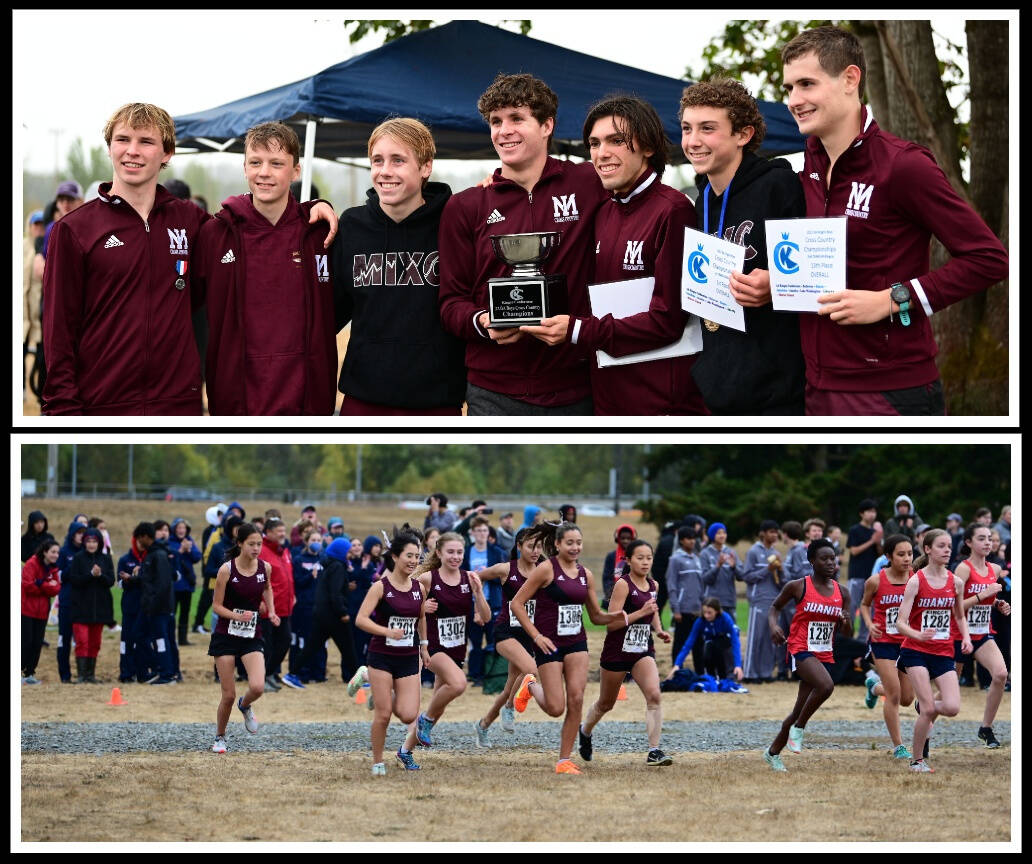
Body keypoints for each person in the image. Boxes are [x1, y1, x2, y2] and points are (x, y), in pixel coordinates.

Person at [780, 25, 1009, 415]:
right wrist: (776, 282)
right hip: (816, 387)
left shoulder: (903, 165)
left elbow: (989, 259)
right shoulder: (806, 169)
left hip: (890, 392)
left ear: (850, 79)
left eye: (806, 84)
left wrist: (892, 300)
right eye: (788, 88)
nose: (794, 100)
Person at [524, 94, 705, 415]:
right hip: (607, 394)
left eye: (616, 140)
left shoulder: (673, 210)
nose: (601, 153)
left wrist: (578, 330)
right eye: (594, 143)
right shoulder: (604, 209)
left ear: (648, 146)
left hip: (660, 402)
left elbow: (668, 321)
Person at [438, 72, 605, 415]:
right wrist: (485, 322)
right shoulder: (467, 205)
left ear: (547, 126)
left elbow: (645, 187)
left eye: (517, 118)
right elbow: (451, 303)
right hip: (493, 390)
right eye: (496, 121)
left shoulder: (590, 182)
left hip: (574, 385)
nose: (504, 130)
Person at [679, 77, 807, 414]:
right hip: (718, 392)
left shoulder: (779, 186)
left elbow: (817, 277)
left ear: (743, 134)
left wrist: (777, 285)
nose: (693, 141)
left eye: (707, 128)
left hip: (776, 396)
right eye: (687, 129)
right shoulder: (700, 202)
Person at [196, 122, 338, 415]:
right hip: (237, 403)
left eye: (276, 164)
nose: (264, 172)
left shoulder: (319, 235)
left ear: (295, 172)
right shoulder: (215, 234)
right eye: (256, 162)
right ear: (244, 167)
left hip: (306, 403)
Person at [331, 117, 465, 415]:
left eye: (398, 160)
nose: (385, 171)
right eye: (377, 160)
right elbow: (327, 314)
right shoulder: (351, 226)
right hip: (363, 399)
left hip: (437, 402)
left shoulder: (454, 223)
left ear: (426, 166)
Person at [509, 521, 621, 774]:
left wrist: (623, 616)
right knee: (555, 707)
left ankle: (564, 761)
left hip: (576, 643)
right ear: (557, 544)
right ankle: (529, 686)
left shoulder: (586, 575)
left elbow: (595, 616)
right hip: (549, 643)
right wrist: (536, 636)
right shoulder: (546, 570)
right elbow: (517, 604)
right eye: (569, 543)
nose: (575, 547)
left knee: (577, 698)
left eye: (578, 543)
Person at [395, 532, 491, 767]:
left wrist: (478, 593)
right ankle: (423, 720)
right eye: (450, 552)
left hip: (457, 648)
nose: (455, 556)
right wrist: (421, 607)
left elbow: (486, 618)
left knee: (438, 707)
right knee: (458, 684)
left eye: (459, 552)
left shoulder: (469, 578)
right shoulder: (428, 579)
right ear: (439, 553)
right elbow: (407, 605)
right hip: (433, 647)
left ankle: (405, 751)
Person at [580, 539, 674, 766]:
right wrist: (639, 612)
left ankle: (654, 751)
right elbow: (611, 624)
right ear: (629, 560)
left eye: (648, 558)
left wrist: (659, 629)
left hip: (642, 650)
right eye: (640, 558)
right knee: (606, 703)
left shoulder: (654, 585)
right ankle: (585, 731)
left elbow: (652, 611)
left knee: (654, 695)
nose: (645, 562)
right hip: (617, 651)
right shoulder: (623, 585)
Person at [762, 539, 851, 772]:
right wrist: (773, 626)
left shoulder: (843, 593)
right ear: (812, 561)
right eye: (824, 558)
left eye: (833, 558)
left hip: (823, 652)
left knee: (798, 708)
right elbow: (774, 607)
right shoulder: (798, 586)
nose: (831, 563)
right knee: (826, 686)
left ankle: (772, 753)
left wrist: (846, 620)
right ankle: (799, 729)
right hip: (800, 648)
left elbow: (847, 632)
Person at [894, 529, 973, 772]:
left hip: (943, 650)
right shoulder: (916, 580)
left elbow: (959, 615)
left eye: (949, 546)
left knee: (952, 707)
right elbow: (900, 621)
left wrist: (967, 638)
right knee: (929, 709)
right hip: (915, 650)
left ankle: (923, 708)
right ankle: (917, 761)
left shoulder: (956, 582)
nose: (947, 550)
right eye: (941, 546)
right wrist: (917, 634)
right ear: (928, 549)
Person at [354, 526, 429, 775]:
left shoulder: (419, 588)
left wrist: (424, 647)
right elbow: (361, 620)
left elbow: (421, 619)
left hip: (408, 656)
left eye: (417, 556)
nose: (413, 561)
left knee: (409, 715)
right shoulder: (380, 587)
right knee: (384, 714)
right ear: (395, 557)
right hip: (382, 656)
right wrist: (387, 632)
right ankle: (377, 761)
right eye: (409, 555)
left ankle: (377, 688)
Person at [208, 522, 279, 754]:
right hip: (226, 635)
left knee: (258, 686)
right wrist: (238, 615)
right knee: (228, 694)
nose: (256, 548)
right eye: (251, 544)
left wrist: (272, 610)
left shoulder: (265, 568)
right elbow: (216, 607)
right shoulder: (226, 570)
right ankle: (220, 737)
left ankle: (245, 705)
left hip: (251, 634)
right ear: (240, 544)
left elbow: (267, 588)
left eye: (259, 544)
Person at [475, 528, 548, 742]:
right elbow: (475, 578)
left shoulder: (544, 571)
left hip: (529, 634)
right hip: (505, 631)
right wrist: (478, 607)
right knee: (531, 670)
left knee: (510, 686)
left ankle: (484, 724)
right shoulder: (506, 569)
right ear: (519, 546)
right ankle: (509, 708)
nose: (535, 551)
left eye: (539, 546)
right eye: (530, 546)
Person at [952, 523, 1011, 748]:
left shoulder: (995, 569)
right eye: (982, 538)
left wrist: (997, 603)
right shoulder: (963, 569)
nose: (988, 542)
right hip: (959, 634)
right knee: (950, 691)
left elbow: (987, 599)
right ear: (969, 543)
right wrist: (982, 595)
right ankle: (925, 722)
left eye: (990, 538)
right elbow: (954, 606)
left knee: (1001, 674)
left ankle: (986, 728)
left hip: (983, 633)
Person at [859, 533, 916, 759]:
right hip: (883, 642)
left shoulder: (916, 578)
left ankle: (873, 686)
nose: (907, 558)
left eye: (910, 553)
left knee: (907, 699)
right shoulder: (875, 581)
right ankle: (899, 746)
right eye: (901, 554)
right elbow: (864, 605)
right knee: (893, 695)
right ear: (888, 556)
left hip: (907, 643)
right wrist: (869, 623)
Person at [287, 536, 357, 686]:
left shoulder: (330, 565)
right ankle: (358, 679)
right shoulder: (338, 567)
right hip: (334, 616)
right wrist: (343, 612)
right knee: (349, 648)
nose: (350, 553)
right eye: (348, 551)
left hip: (322, 615)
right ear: (341, 552)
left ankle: (292, 674)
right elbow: (335, 594)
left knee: (311, 647)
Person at [66, 527, 116, 684]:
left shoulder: (106, 559)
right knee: (82, 642)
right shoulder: (78, 558)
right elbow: (74, 580)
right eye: (88, 541)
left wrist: (100, 575)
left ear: (99, 542)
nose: (92, 544)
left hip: (100, 609)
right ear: (84, 542)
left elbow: (110, 581)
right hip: (80, 608)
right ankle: (81, 675)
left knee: (95, 643)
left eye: (94, 541)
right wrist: (90, 575)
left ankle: (90, 675)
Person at [461, 515, 507, 685]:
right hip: (472, 603)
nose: (482, 534)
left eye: (485, 530)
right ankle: (475, 674)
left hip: (492, 602)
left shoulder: (497, 552)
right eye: (478, 530)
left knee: (494, 639)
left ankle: (492, 673)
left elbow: (504, 577)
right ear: (472, 533)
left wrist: (487, 574)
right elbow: (460, 576)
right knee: (475, 641)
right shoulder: (466, 552)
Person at [282, 525, 325, 687]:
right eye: (313, 540)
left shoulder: (323, 559)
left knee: (319, 641)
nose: (316, 543)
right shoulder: (299, 560)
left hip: (319, 607)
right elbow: (297, 582)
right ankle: (302, 672)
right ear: (306, 542)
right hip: (303, 607)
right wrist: (310, 576)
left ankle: (318, 673)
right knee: (302, 641)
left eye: (319, 540)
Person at [741, 520, 783, 683]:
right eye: (771, 532)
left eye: (776, 532)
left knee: (769, 638)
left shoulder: (776, 553)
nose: (774, 535)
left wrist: (780, 569)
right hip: (758, 600)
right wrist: (767, 569)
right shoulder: (753, 551)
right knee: (755, 638)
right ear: (763, 533)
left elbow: (781, 580)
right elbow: (747, 576)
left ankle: (765, 672)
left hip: (773, 601)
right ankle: (750, 673)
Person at [137, 521, 178, 685]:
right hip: (155, 607)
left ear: (146, 537)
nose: (139, 542)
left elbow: (162, 584)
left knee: (162, 640)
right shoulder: (153, 554)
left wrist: (153, 605)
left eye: (140, 538)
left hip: (160, 609)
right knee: (150, 639)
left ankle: (167, 674)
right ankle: (162, 670)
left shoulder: (158, 556)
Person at [666, 597, 744, 682]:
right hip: (712, 645)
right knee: (707, 649)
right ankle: (712, 677)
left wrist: (738, 665)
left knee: (721, 646)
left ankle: (729, 675)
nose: (706, 615)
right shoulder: (700, 621)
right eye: (704, 612)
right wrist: (677, 664)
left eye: (710, 613)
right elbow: (688, 644)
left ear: (717, 611)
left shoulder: (725, 619)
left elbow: (735, 643)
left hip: (726, 646)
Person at [258, 519, 295, 691]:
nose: (283, 534)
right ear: (269, 532)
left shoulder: (284, 551)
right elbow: (256, 579)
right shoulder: (262, 551)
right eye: (279, 531)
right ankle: (261, 678)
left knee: (285, 641)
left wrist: (292, 595)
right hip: (268, 609)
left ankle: (269, 673)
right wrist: (259, 600)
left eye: (284, 530)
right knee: (267, 645)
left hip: (284, 607)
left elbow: (286, 577)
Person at [21, 539, 61, 684]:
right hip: (27, 610)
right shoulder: (31, 564)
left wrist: (40, 583)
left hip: (42, 612)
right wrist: (46, 586)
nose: (56, 555)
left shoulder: (53, 568)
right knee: (26, 642)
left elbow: (56, 588)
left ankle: (29, 673)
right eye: (53, 552)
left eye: (57, 552)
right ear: (45, 552)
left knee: (37, 643)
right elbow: (27, 586)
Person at [666, 525, 705, 666]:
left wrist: (703, 606)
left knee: (699, 644)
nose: (692, 541)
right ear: (681, 540)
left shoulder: (696, 558)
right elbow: (672, 585)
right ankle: (677, 671)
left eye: (694, 538)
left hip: (697, 610)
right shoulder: (675, 559)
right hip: (683, 610)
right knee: (680, 643)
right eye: (689, 538)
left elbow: (700, 585)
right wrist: (676, 609)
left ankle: (701, 673)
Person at [116, 524, 150, 683]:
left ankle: (142, 673)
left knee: (143, 641)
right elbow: (119, 585)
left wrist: (139, 577)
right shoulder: (125, 559)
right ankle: (126, 673)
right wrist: (130, 579)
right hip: (130, 606)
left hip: (145, 607)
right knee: (127, 640)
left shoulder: (151, 559)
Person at [846, 498, 882, 641]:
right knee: (852, 606)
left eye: (874, 511)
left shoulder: (875, 532)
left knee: (868, 608)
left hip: (871, 577)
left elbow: (880, 554)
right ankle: (847, 637)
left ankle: (862, 641)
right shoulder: (855, 530)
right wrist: (872, 541)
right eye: (869, 511)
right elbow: (853, 551)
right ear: (862, 513)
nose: (872, 514)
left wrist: (878, 542)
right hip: (856, 575)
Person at [699, 522, 742, 623]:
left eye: (724, 532)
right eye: (718, 533)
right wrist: (718, 566)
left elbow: (742, 576)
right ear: (712, 535)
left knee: (730, 633)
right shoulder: (705, 554)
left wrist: (734, 567)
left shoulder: (731, 552)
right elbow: (705, 579)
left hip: (729, 601)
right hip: (711, 602)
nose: (722, 535)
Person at [169, 517, 201, 646]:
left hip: (187, 584)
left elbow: (197, 557)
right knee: (172, 613)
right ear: (174, 529)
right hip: (174, 585)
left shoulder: (189, 541)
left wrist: (188, 550)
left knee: (185, 612)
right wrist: (180, 551)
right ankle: (170, 639)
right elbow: (168, 559)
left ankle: (183, 639)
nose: (181, 530)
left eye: (183, 528)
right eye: (178, 528)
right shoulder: (169, 542)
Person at [602, 524, 637, 606]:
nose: (626, 541)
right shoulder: (611, 556)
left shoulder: (637, 556)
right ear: (617, 539)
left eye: (629, 538)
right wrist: (610, 594)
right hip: (615, 597)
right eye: (623, 538)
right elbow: (607, 578)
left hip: (634, 597)